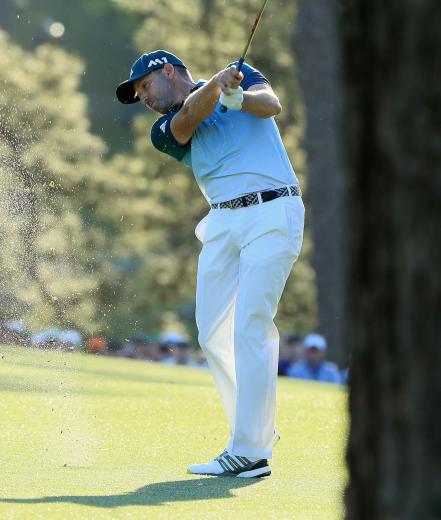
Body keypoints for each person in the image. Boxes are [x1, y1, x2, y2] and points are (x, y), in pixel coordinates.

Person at [116, 50, 303, 478]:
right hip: (222, 220)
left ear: (167, 70)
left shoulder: (244, 77)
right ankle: (255, 430)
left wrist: (236, 96)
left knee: (250, 326)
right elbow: (187, 121)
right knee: (212, 333)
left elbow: (271, 105)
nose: (142, 97)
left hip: (272, 210)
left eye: (144, 86)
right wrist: (219, 86)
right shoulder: (163, 129)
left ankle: (249, 451)